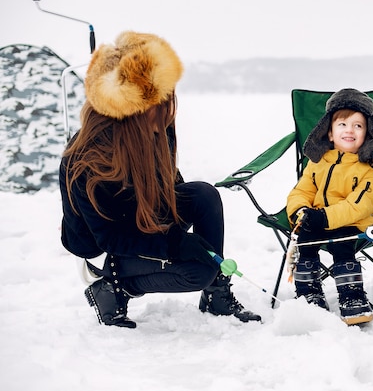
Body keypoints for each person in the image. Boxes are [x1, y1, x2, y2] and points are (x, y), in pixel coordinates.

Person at [59, 31, 261, 328]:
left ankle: (216, 292)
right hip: (105, 243)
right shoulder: (91, 160)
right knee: (196, 271)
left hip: (140, 216)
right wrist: (174, 245)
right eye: (161, 97)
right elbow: (109, 235)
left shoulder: (151, 130)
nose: (170, 105)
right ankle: (114, 286)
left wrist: (182, 235)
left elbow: (171, 191)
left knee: (203, 196)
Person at [286, 88, 373, 325]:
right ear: (330, 133)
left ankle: (352, 296)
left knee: (344, 243)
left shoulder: (369, 169)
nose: (350, 130)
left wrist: (325, 217)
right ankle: (308, 292)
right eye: (342, 124)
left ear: (369, 134)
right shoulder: (318, 161)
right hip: (316, 218)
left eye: (358, 126)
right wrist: (301, 211)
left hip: (354, 223)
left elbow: (360, 205)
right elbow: (302, 190)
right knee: (305, 240)